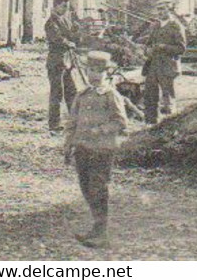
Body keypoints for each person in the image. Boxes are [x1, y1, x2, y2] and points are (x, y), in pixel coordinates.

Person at [65, 50, 128, 249]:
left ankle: (102, 231)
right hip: (82, 149)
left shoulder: (111, 95)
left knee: (98, 188)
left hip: (102, 150)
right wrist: (68, 146)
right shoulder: (82, 95)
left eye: (99, 71)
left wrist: (99, 130)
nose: (94, 75)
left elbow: (121, 122)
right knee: (85, 187)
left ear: (107, 73)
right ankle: (96, 226)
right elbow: (72, 123)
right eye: (91, 70)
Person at [143, 0, 187, 124]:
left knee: (168, 98)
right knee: (150, 95)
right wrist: (147, 51)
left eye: (162, 9)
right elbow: (148, 44)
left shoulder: (176, 26)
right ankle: (151, 123)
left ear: (170, 10)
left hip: (168, 66)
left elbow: (182, 49)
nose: (160, 12)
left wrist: (164, 47)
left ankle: (170, 125)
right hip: (153, 65)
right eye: (158, 10)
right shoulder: (155, 25)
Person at [45, 0, 81, 133]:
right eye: (63, 6)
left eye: (67, 6)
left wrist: (76, 30)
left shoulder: (65, 20)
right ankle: (54, 125)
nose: (66, 9)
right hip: (56, 61)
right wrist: (69, 43)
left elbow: (72, 35)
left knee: (72, 92)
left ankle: (74, 123)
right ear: (55, 6)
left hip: (67, 61)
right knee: (57, 94)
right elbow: (57, 39)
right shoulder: (51, 23)